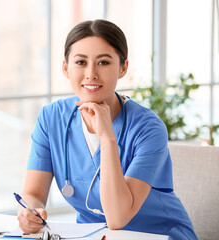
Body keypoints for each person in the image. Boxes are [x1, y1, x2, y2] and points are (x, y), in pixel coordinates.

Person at [17, 19, 197, 240]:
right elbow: (33, 194)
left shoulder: (149, 128)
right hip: (93, 236)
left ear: (123, 68)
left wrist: (107, 137)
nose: (91, 73)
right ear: (66, 68)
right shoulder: (51, 118)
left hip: (157, 234)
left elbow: (118, 218)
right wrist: (29, 212)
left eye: (103, 62)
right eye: (81, 62)